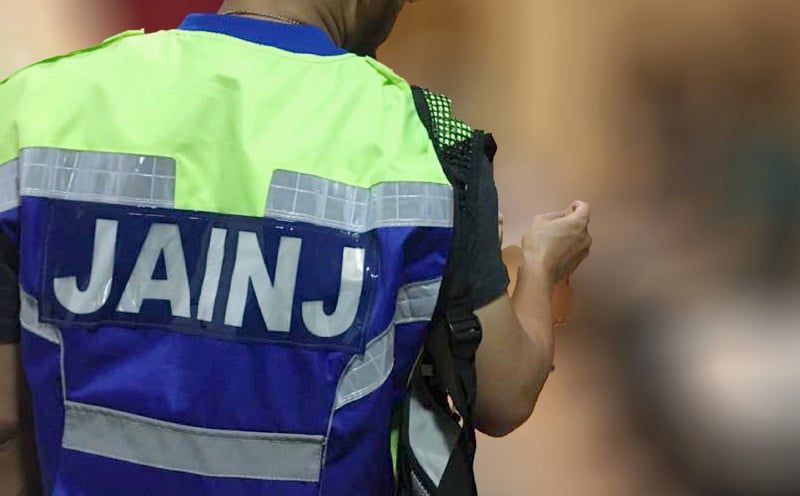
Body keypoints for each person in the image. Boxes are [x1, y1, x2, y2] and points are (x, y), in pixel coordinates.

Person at [0, 1, 592, 494]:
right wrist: (542, 265)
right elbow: (504, 391)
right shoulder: (429, 145)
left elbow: (6, 420)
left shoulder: (36, 107)